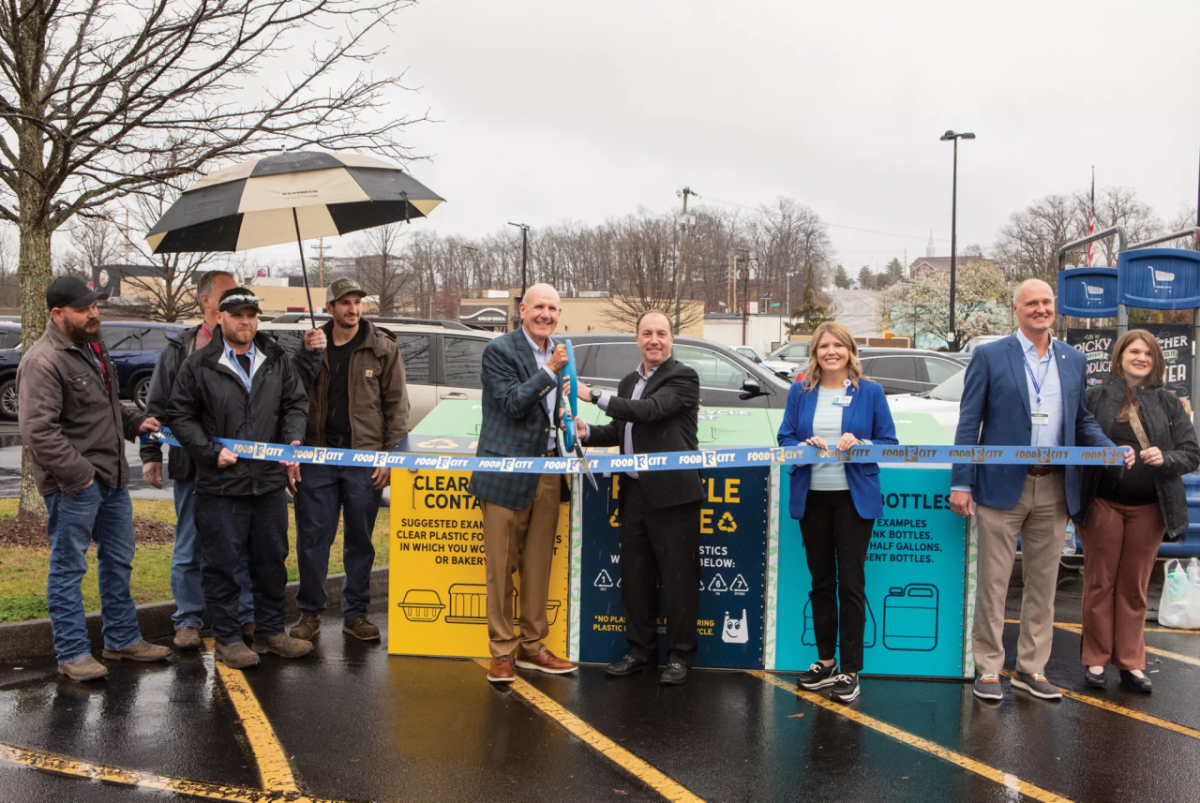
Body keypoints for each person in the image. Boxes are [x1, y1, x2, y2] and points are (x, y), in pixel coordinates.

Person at [951, 278, 1132, 702]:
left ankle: (1031, 669)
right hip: (999, 485)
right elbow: (968, 423)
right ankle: (990, 668)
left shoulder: (1072, 359)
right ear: (1015, 309)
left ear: (1055, 309)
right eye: (1031, 303)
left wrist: (1108, 450)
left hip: (1053, 485)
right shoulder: (990, 355)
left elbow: (1082, 420)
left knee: (1043, 584)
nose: (1040, 309)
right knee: (994, 582)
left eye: (1046, 302)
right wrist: (962, 480)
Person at [141, 271, 320, 649]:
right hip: (220, 483)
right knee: (221, 563)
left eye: (252, 315)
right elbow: (180, 416)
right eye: (238, 315)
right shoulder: (198, 363)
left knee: (271, 559)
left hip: (268, 482)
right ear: (219, 318)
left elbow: (295, 403)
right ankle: (227, 639)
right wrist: (208, 452)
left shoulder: (275, 358)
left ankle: (271, 631)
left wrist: (292, 439)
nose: (246, 322)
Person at [18, 276, 170, 681]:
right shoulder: (42, 360)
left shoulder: (94, 348)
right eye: (85, 309)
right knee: (69, 569)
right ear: (58, 313)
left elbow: (108, 405)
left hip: (113, 478)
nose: (94, 314)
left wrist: (137, 422)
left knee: (118, 561)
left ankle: (121, 640)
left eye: (95, 306)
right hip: (75, 486)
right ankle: (71, 654)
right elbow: (39, 432)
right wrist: (81, 477)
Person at [572, 310, 704, 685]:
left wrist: (594, 396)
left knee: (678, 581)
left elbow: (651, 411)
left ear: (672, 338)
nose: (654, 340)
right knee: (635, 578)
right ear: (637, 339)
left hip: (674, 497)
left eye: (661, 333)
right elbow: (621, 428)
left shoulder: (683, 377)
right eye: (647, 333)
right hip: (634, 494)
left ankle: (680, 657)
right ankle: (640, 652)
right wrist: (587, 434)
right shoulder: (630, 379)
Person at [776, 321, 896, 704]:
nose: (831, 352)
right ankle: (825, 663)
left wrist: (860, 442)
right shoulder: (800, 392)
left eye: (838, 346)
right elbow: (784, 439)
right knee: (821, 582)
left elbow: (889, 443)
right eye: (823, 346)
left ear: (850, 351)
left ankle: (850, 670)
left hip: (852, 499)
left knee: (851, 584)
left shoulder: (870, 392)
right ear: (814, 353)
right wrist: (803, 443)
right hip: (812, 498)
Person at [1074, 330, 1199, 692]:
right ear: (1120, 355)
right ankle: (1095, 661)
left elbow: (1192, 453)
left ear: (1156, 360)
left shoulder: (1170, 402)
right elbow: (1078, 442)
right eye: (1134, 351)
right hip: (1102, 504)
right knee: (1100, 583)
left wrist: (1167, 456)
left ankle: (1130, 662)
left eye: (1148, 352)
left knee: (1134, 587)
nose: (1141, 357)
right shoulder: (1095, 397)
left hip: (1150, 508)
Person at [289, 277, 410, 644]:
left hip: (365, 458)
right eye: (344, 303)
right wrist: (307, 353)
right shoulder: (312, 345)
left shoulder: (382, 348)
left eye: (357, 302)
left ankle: (355, 614)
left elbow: (397, 408)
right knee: (313, 538)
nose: (352, 309)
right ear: (330, 308)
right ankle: (309, 613)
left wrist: (390, 457)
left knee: (360, 539)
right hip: (317, 456)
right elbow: (291, 393)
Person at [468, 283, 577, 683]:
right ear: (522, 309)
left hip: (548, 470)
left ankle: (533, 646)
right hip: (505, 473)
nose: (545, 314)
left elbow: (552, 408)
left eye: (552, 308)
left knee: (537, 564)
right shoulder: (500, 351)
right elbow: (513, 403)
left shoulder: (560, 353)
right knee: (501, 566)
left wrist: (569, 415)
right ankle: (501, 651)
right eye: (538, 307)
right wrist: (549, 373)